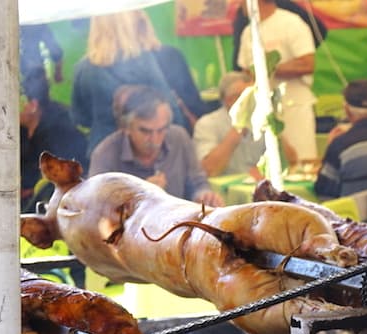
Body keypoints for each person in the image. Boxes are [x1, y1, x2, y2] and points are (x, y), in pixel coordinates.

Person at [88, 86, 224, 207]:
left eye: (161, 130)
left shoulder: (179, 137)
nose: (155, 140)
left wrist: (204, 195)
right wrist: (139, 195)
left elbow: (197, 182)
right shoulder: (105, 154)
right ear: (126, 127)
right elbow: (95, 208)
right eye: (145, 131)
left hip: (177, 228)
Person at [71, 11, 188, 149]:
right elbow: (169, 109)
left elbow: (80, 119)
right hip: (147, 149)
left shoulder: (83, 68)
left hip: (103, 149)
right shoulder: (146, 60)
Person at [237, 0, 319, 162]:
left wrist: (268, 68)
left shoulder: (291, 23)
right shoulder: (248, 32)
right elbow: (245, 71)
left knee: (302, 163)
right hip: (264, 112)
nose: (239, 5)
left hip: (293, 107)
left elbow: (307, 64)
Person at [20, 73, 88, 212]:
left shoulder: (59, 133)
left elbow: (65, 179)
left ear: (33, 105)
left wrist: (30, 191)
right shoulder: (21, 130)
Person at [193, 72, 269, 177]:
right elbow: (208, 170)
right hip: (223, 191)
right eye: (249, 96)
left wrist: (273, 124)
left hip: (261, 187)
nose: (256, 100)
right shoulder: (207, 124)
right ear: (229, 100)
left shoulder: (262, 119)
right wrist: (240, 124)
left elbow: (291, 161)